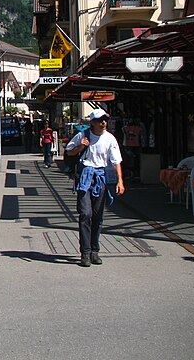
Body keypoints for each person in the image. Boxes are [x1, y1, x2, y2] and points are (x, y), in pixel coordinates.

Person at [65, 108, 125, 268]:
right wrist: (81, 147)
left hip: (100, 178)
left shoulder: (110, 138)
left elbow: (116, 161)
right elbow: (69, 153)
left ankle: (94, 251)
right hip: (85, 177)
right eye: (99, 120)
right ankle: (85, 253)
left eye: (105, 119)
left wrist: (120, 181)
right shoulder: (82, 136)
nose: (103, 123)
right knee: (86, 214)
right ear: (92, 122)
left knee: (97, 216)